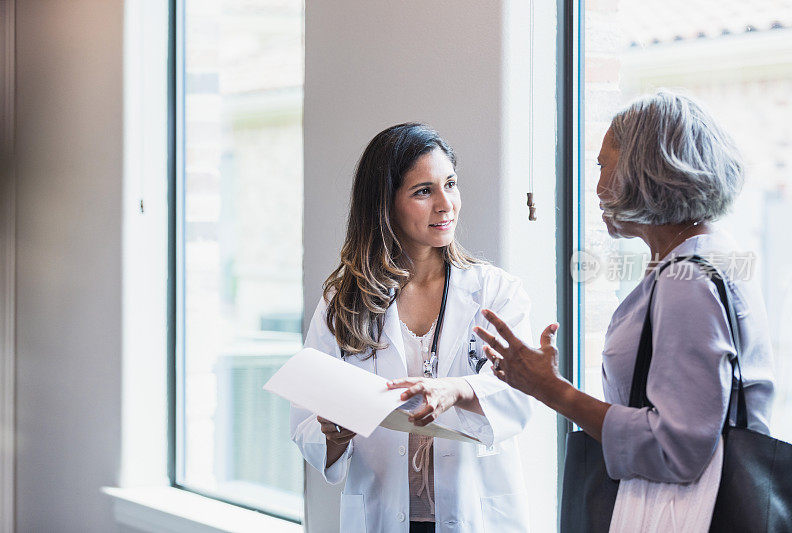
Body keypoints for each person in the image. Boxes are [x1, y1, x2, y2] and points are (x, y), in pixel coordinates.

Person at [476, 91, 775, 486]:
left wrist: (551, 390)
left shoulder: (689, 281)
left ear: (645, 169)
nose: (597, 186)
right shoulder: (696, 259)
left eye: (604, 165)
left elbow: (678, 449)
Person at [290, 123, 534, 533]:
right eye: (424, 191)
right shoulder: (344, 301)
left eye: (451, 184)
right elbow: (305, 422)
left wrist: (458, 389)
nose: (446, 205)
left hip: (477, 512)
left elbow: (521, 396)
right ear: (385, 203)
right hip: (383, 513)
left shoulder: (494, 292)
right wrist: (333, 434)